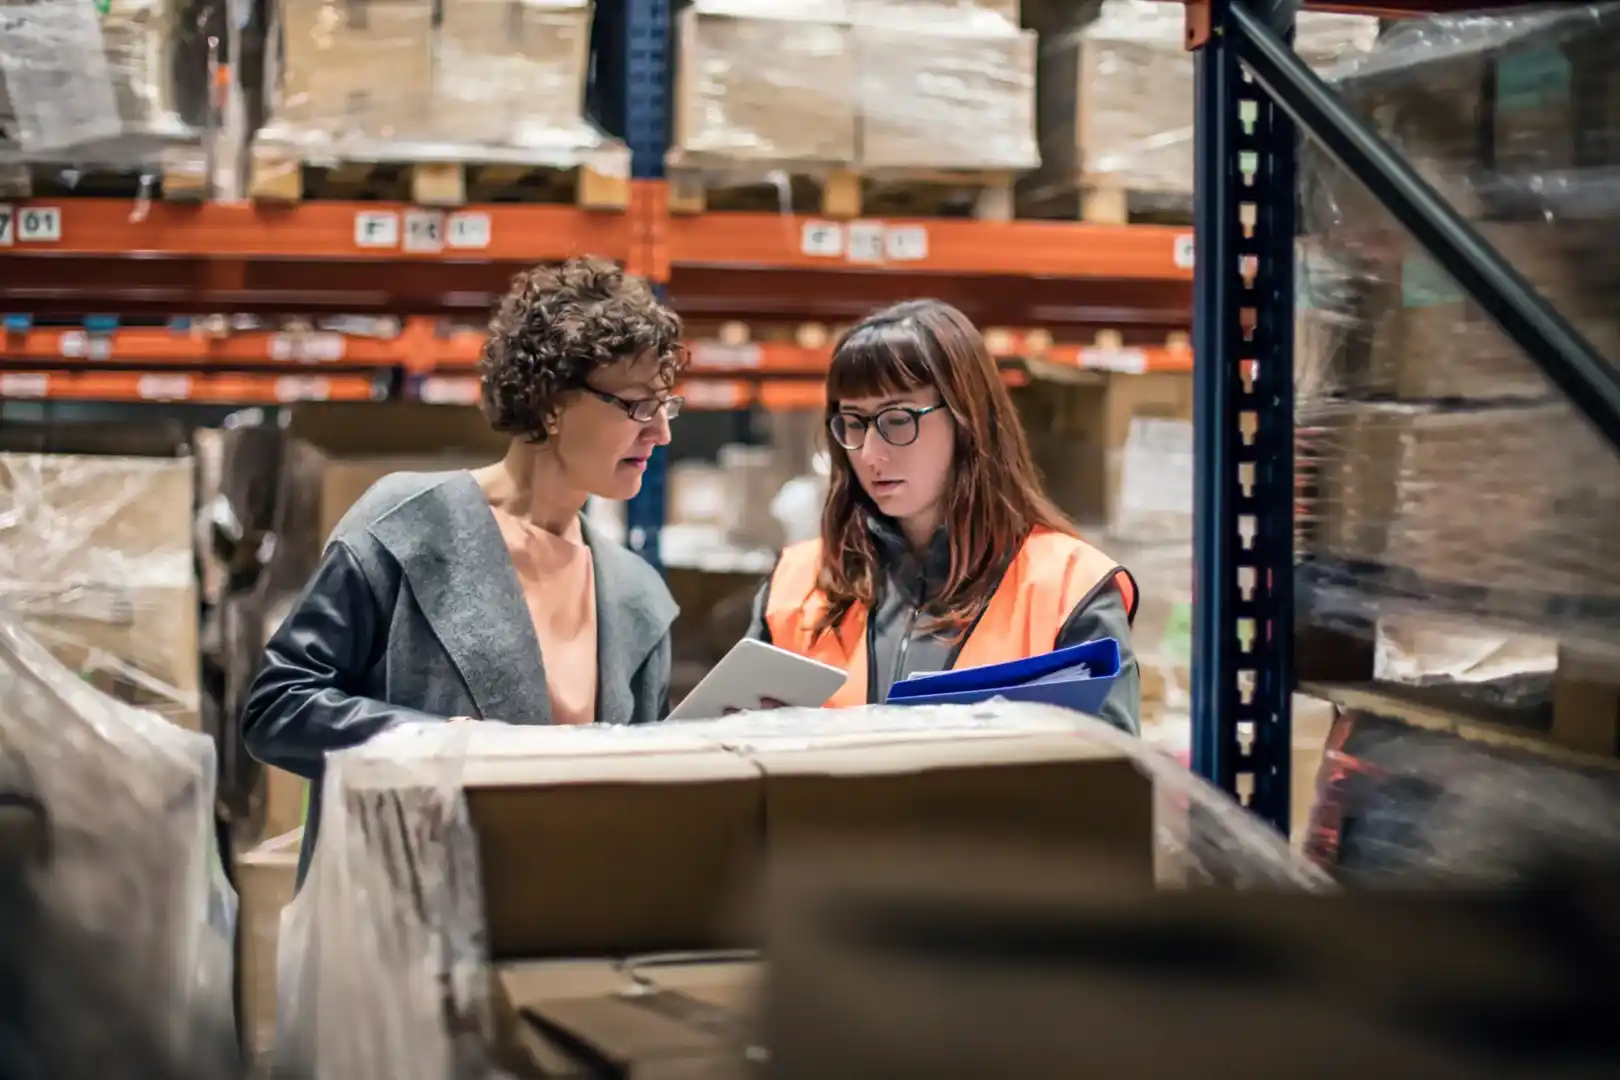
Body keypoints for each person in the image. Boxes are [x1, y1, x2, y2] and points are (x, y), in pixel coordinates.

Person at [241, 257, 686, 884]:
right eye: (639, 406)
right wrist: (434, 746)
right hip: (401, 923)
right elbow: (278, 710)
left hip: (559, 921)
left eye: (668, 406)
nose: (661, 433)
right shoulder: (407, 526)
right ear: (551, 402)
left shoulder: (637, 597)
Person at [745, 299, 1141, 734]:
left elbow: (1112, 783)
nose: (871, 454)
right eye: (853, 423)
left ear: (967, 420)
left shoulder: (1070, 587)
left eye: (897, 420)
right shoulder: (796, 584)